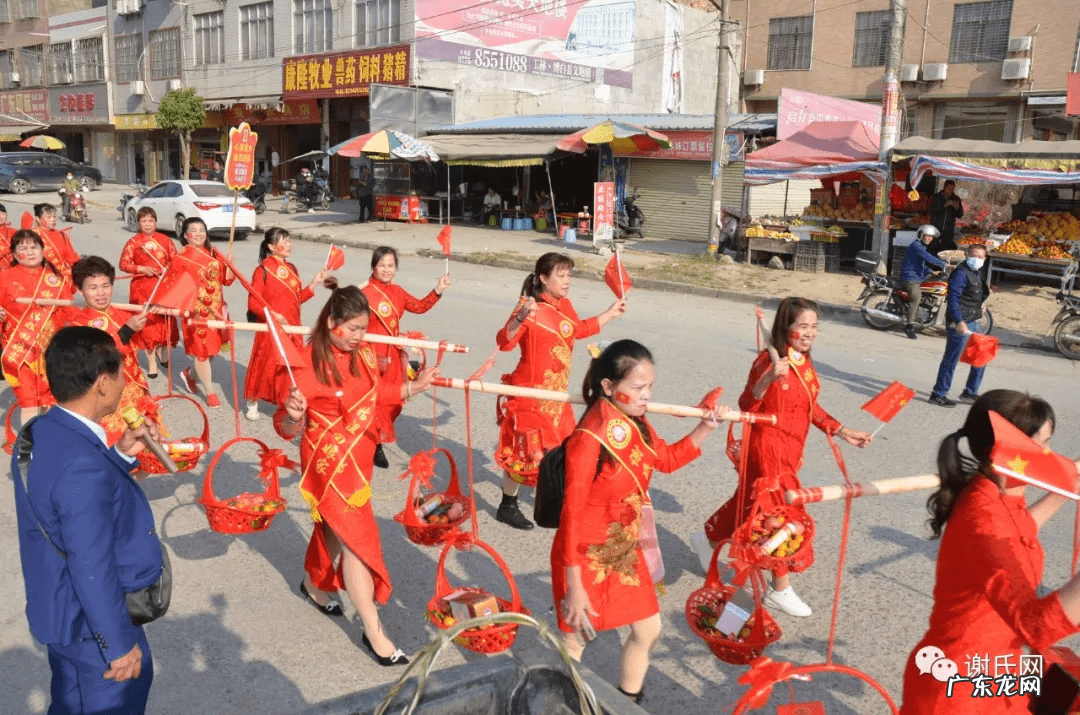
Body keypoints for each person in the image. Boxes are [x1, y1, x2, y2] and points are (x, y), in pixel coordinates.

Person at [274, 279, 439, 667]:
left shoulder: (364, 355)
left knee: (335, 528)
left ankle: (314, 583)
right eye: (351, 329)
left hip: (360, 457)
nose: (358, 336)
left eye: (363, 329)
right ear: (331, 321)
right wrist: (293, 416)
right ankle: (374, 631)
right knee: (357, 541)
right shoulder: (306, 362)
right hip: (328, 464)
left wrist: (413, 388)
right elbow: (283, 427)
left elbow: (375, 393)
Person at [553, 340, 727, 705]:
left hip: (623, 549)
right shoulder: (588, 438)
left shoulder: (637, 422)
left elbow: (665, 460)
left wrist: (705, 427)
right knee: (577, 638)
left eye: (650, 387)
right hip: (584, 552)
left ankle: (627, 701)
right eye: (638, 388)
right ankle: (562, 703)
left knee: (648, 629)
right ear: (608, 387)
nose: (647, 395)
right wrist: (574, 584)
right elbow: (570, 512)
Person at [12, 325, 164, 715]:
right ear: (101, 382)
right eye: (120, 373)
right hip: (90, 626)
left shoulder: (41, 429)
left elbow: (60, 497)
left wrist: (119, 455)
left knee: (69, 700)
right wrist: (117, 646)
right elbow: (90, 562)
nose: (125, 382)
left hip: (59, 608)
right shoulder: (82, 466)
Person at [899, 390, 1080, 714]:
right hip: (961, 688)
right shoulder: (983, 519)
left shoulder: (997, 495)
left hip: (995, 670)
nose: (1050, 454)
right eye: (1042, 444)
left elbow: (1020, 529)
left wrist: (1067, 488)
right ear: (1008, 450)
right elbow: (1036, 626)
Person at [696, 297, 872, 617]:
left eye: (814, 326)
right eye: (802, 326)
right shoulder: (768, 361)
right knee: (780, 517)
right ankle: (780, 587)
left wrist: (842, 430)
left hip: (791, 449)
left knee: (749, 504)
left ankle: (707, 538)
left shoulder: (803, 361)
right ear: (785, 327)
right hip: (768, 450)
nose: (809, 333)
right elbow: (747, 406)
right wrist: (767, 379)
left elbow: (809, 407)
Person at [494, 252, 626, 529]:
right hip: (530, 394)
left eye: (569, 275)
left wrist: (610, 313)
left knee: (565, 453)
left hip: (556, 396)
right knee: (526, 455)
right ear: (544, 278)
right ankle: (508, 505)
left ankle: (560, 505)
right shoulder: (528, 305)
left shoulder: (565, 304)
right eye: (561, 275)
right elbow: (504, 342)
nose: (567, 281)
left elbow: (577, 330)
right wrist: (519, 319)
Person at [361, 246, 450, 468]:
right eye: (382, 265)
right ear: (373, 266)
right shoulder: (363, 293)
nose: (386, 269)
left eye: (390, 265)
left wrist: (438, 289)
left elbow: (419, 307)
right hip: (369, 354)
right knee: (373, 399)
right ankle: (373, 444)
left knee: (393, 402)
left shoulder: (398, 292)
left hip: (392, 355)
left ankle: (376, 437)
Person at [67, 256, 156, 444]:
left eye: (105, 286)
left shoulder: (122, 313)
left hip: (135, 389)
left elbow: (140, 343)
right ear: (81, 291)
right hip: (108, 398)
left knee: (144, 452)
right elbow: (100, 355)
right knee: (116, 451)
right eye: (93, 288)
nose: (101, 293)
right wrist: (127, 330)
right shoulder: (79, 324)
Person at [244, 228, 325, 421]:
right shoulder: (262, 270)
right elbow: (253, 303)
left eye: (289, 240)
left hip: (293, 326)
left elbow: (296, 300)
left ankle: (285, 400)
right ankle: (253, 401)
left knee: (290, 366)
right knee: (265, 365)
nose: (288, 245)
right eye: (284, 241)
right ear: (271, 247)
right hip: (270, 326)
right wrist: (273, 315)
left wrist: (313, 283)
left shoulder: (293, 269)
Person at [0, 229, 75, 423]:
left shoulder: (55, 280)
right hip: (21, 351)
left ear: (43, 250)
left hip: (50, 351)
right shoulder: (4, 279)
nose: (31, 252)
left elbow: (73, 314)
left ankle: (46, 444)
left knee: (50, 402)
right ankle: (27, 449)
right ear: (14, 254)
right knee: (30, 402)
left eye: (35, 247)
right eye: (23, 248)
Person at [174, 217, 235, 408]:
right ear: (185, 235)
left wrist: (229, 265)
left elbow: (226, 281)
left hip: (216, 310)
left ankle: (189, 374)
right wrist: (189, 307)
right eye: (194, 230)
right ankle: (210, 392)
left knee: (213, 352)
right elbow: (177, 288)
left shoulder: (213, 255)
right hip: (196, 313)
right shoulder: (181, 258)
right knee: (201, 353)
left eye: (202, 230)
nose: (199, 233)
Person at [119, 207, 179, 379]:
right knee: (147, 326)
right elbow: (123, 264)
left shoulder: (166, 240)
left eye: (150, 220)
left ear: (156, 222)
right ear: (139, 223)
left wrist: (169, 270)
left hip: (164, 287)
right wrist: (141, 268)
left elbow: (175, 262)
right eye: (144, 221)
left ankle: (163, 351)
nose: (147, 224)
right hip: (142, 288)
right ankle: (151, 361)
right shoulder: (133, 242)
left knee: (165, 321)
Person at [928, 244, 990, 408]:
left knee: (981, 354)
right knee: (951, 359)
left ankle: (970, 392)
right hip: (960, 321)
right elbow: (953, 298)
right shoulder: (961, 273)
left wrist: (980, 305)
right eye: (973, 255)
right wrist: (959, 321)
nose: (976, 259)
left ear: (985, 259)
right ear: (967, 255)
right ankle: (938, 394)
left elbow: (971, 295)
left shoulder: (975, 273)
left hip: (972, 320)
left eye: (980, 257)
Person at [899, 225, 947, 340]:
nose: (929, 238)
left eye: (931, 236)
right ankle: (909, 325)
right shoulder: (916, 246)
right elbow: (927, 257)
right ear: (921, 235)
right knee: (916, 298)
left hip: (918, 276)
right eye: (927, 236)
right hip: (910, 277)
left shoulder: (921, 246)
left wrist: (931, 271)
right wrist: (944, 264)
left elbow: (920, 264)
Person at [31, 203, 80, 282]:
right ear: (38, 219)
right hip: (40, 280)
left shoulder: (62, 235)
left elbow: (72, 258)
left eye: (54, 217)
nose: (52, 219)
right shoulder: (31, 236)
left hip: (61, 280)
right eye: (48, 217)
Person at [929, 180, 964, 254]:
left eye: (952, 189)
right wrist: (944, 206)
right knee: (933, 248)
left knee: (945, 251)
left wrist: (957, 208)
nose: (950, 191)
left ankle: (942, 264)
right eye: (948, 188)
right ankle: (931, 264)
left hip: (948, 230)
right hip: (936, 228)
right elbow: (932, 211)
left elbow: (960, 215)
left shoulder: (956, 199)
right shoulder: (936, 197)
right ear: (944, 187)